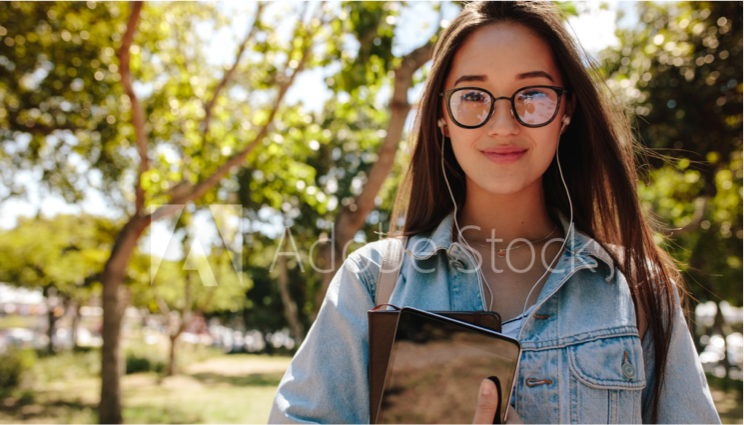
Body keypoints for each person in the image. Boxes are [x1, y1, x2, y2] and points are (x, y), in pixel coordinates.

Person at [269, 0, 721, 424]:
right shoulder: (371, 281)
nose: (503, 124)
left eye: (532, 94)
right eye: (472, 96)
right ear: (441, 117)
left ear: (565, 111)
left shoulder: (637, 287)